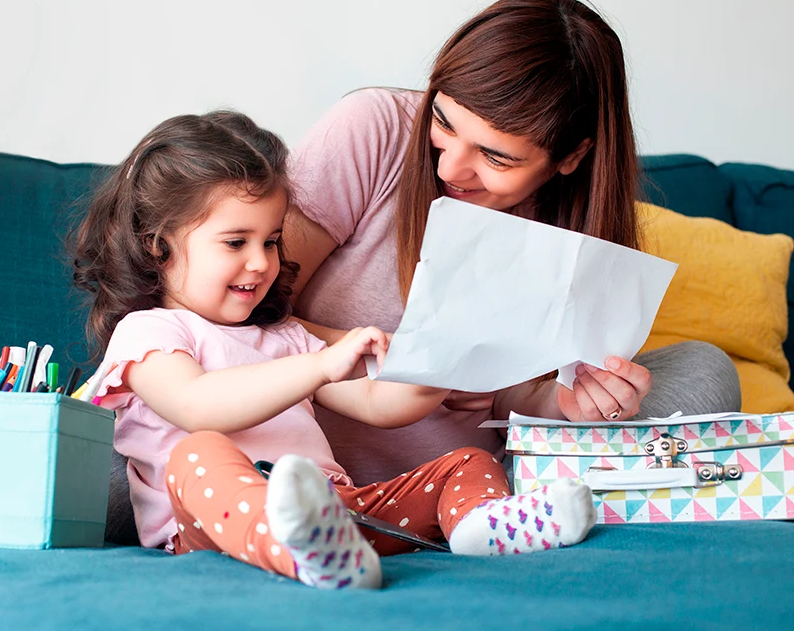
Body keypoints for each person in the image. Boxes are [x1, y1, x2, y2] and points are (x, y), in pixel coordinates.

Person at [71, 110, 597, 589]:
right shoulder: (148, 333)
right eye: (237, 243)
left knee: (466, 462)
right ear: (155, 244)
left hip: (342, 514)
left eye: (272, 241)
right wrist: (320, 365)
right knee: (196, 454)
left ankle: (484, 526)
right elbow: (197, 404)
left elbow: (377, 403)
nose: (261, 262)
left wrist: (436, 368)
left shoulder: (284, 338)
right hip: (215, 531)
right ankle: (298, 549)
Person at [283, 0, 742, 486]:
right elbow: (237, 310)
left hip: (479, 480)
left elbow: (507, 399)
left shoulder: (567, 222)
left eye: (496, 157)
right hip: (317, 468)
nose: (449, 166)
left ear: (570, 158)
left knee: (703, 369)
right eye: (443, 121)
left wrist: (567, 403)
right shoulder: (372, 131)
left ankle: (532, 503)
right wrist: (379, 351)